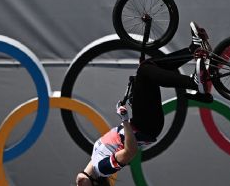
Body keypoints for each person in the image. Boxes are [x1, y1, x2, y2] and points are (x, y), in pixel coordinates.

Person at [76, 22, 213, 186]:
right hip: (145, 126)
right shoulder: (103, 168)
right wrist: (124, 120)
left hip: (142, 123)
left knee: (148, 67)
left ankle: (194, 50)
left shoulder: (95, 158)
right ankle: (193, 83)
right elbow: (130, 152)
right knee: (145, 71)